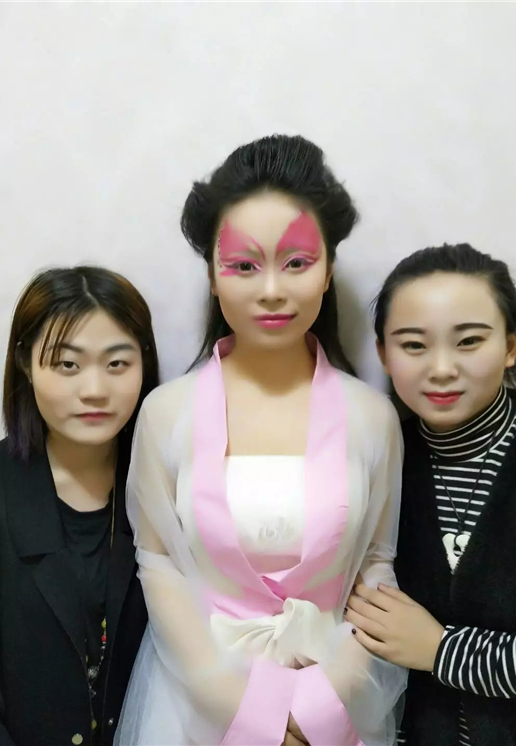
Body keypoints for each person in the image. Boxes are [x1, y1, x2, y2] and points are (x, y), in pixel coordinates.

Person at [115, 134, 407, 746]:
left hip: (336, 702)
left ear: (328, 270)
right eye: (244, 266)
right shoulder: (165, 414)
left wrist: (322, 704)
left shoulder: (372, 417)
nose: (272, 289)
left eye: (296, 263)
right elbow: (158, 564)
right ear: (213, 277)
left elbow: (376, 567)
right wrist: (246, 710)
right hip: (200, 706)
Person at [345, 244, 516, 746]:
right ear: (383, 354)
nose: (441, 369)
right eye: (414, 345)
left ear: (512, 344)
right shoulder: (379, 461)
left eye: (469, 341)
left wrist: (441, 650)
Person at [0, 266, 160, 746]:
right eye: (67, 364)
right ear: (25, 363)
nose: (94, 390)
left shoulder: (166, 489)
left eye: (117, 363)